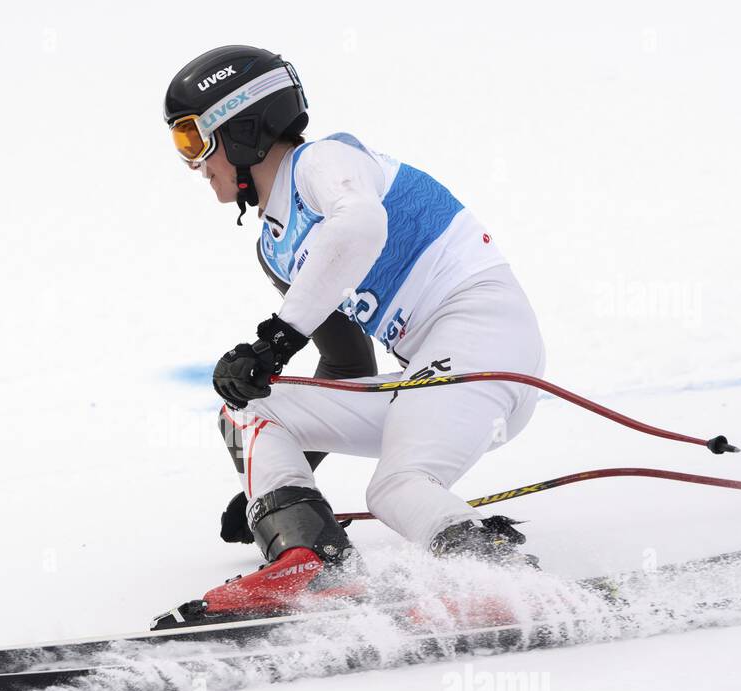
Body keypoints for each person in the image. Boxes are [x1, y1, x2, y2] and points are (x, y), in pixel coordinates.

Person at [163, 45, 546, 610]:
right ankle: (310, 560)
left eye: (193, 139)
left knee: (395, 488)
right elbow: (347, 366)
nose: (194, 163)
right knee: (247, 408)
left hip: (484, 335)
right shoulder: (276, 248)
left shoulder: (326, 162)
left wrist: (277, 339)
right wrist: (276, 497)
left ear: (244, 127)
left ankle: (501, 574)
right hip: (431, 373)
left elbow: (361, 227)